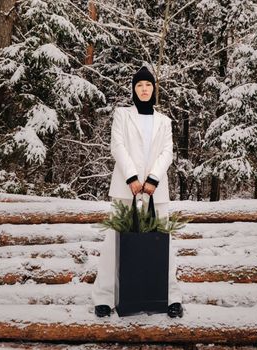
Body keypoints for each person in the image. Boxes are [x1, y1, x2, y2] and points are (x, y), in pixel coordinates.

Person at [92, 66, 183, 318]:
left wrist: (152, 178)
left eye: (148, 85)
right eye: (140, 85)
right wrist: (132, 177)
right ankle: (104, 297)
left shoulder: (164, 121)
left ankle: (171, 297)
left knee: (162, 243)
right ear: (134, 89)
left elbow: (167, 152)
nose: (144, 89)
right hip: (125, 187)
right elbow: (117, 145)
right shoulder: (122, 115)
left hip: (156, 190)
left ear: (154, 89)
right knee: (115, 242)